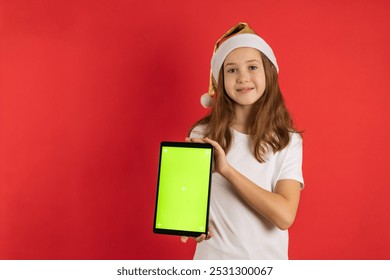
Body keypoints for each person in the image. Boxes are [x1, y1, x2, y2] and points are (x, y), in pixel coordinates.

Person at [180, 22, 304, 259]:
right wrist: (190, 224)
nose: (242, 78)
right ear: (221, 80)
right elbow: (189, 203)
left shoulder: (288, 141)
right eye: (232, 70)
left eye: (252, 67)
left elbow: (284, 216)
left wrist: (226, 170)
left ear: (268, 73)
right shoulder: (201, 134)